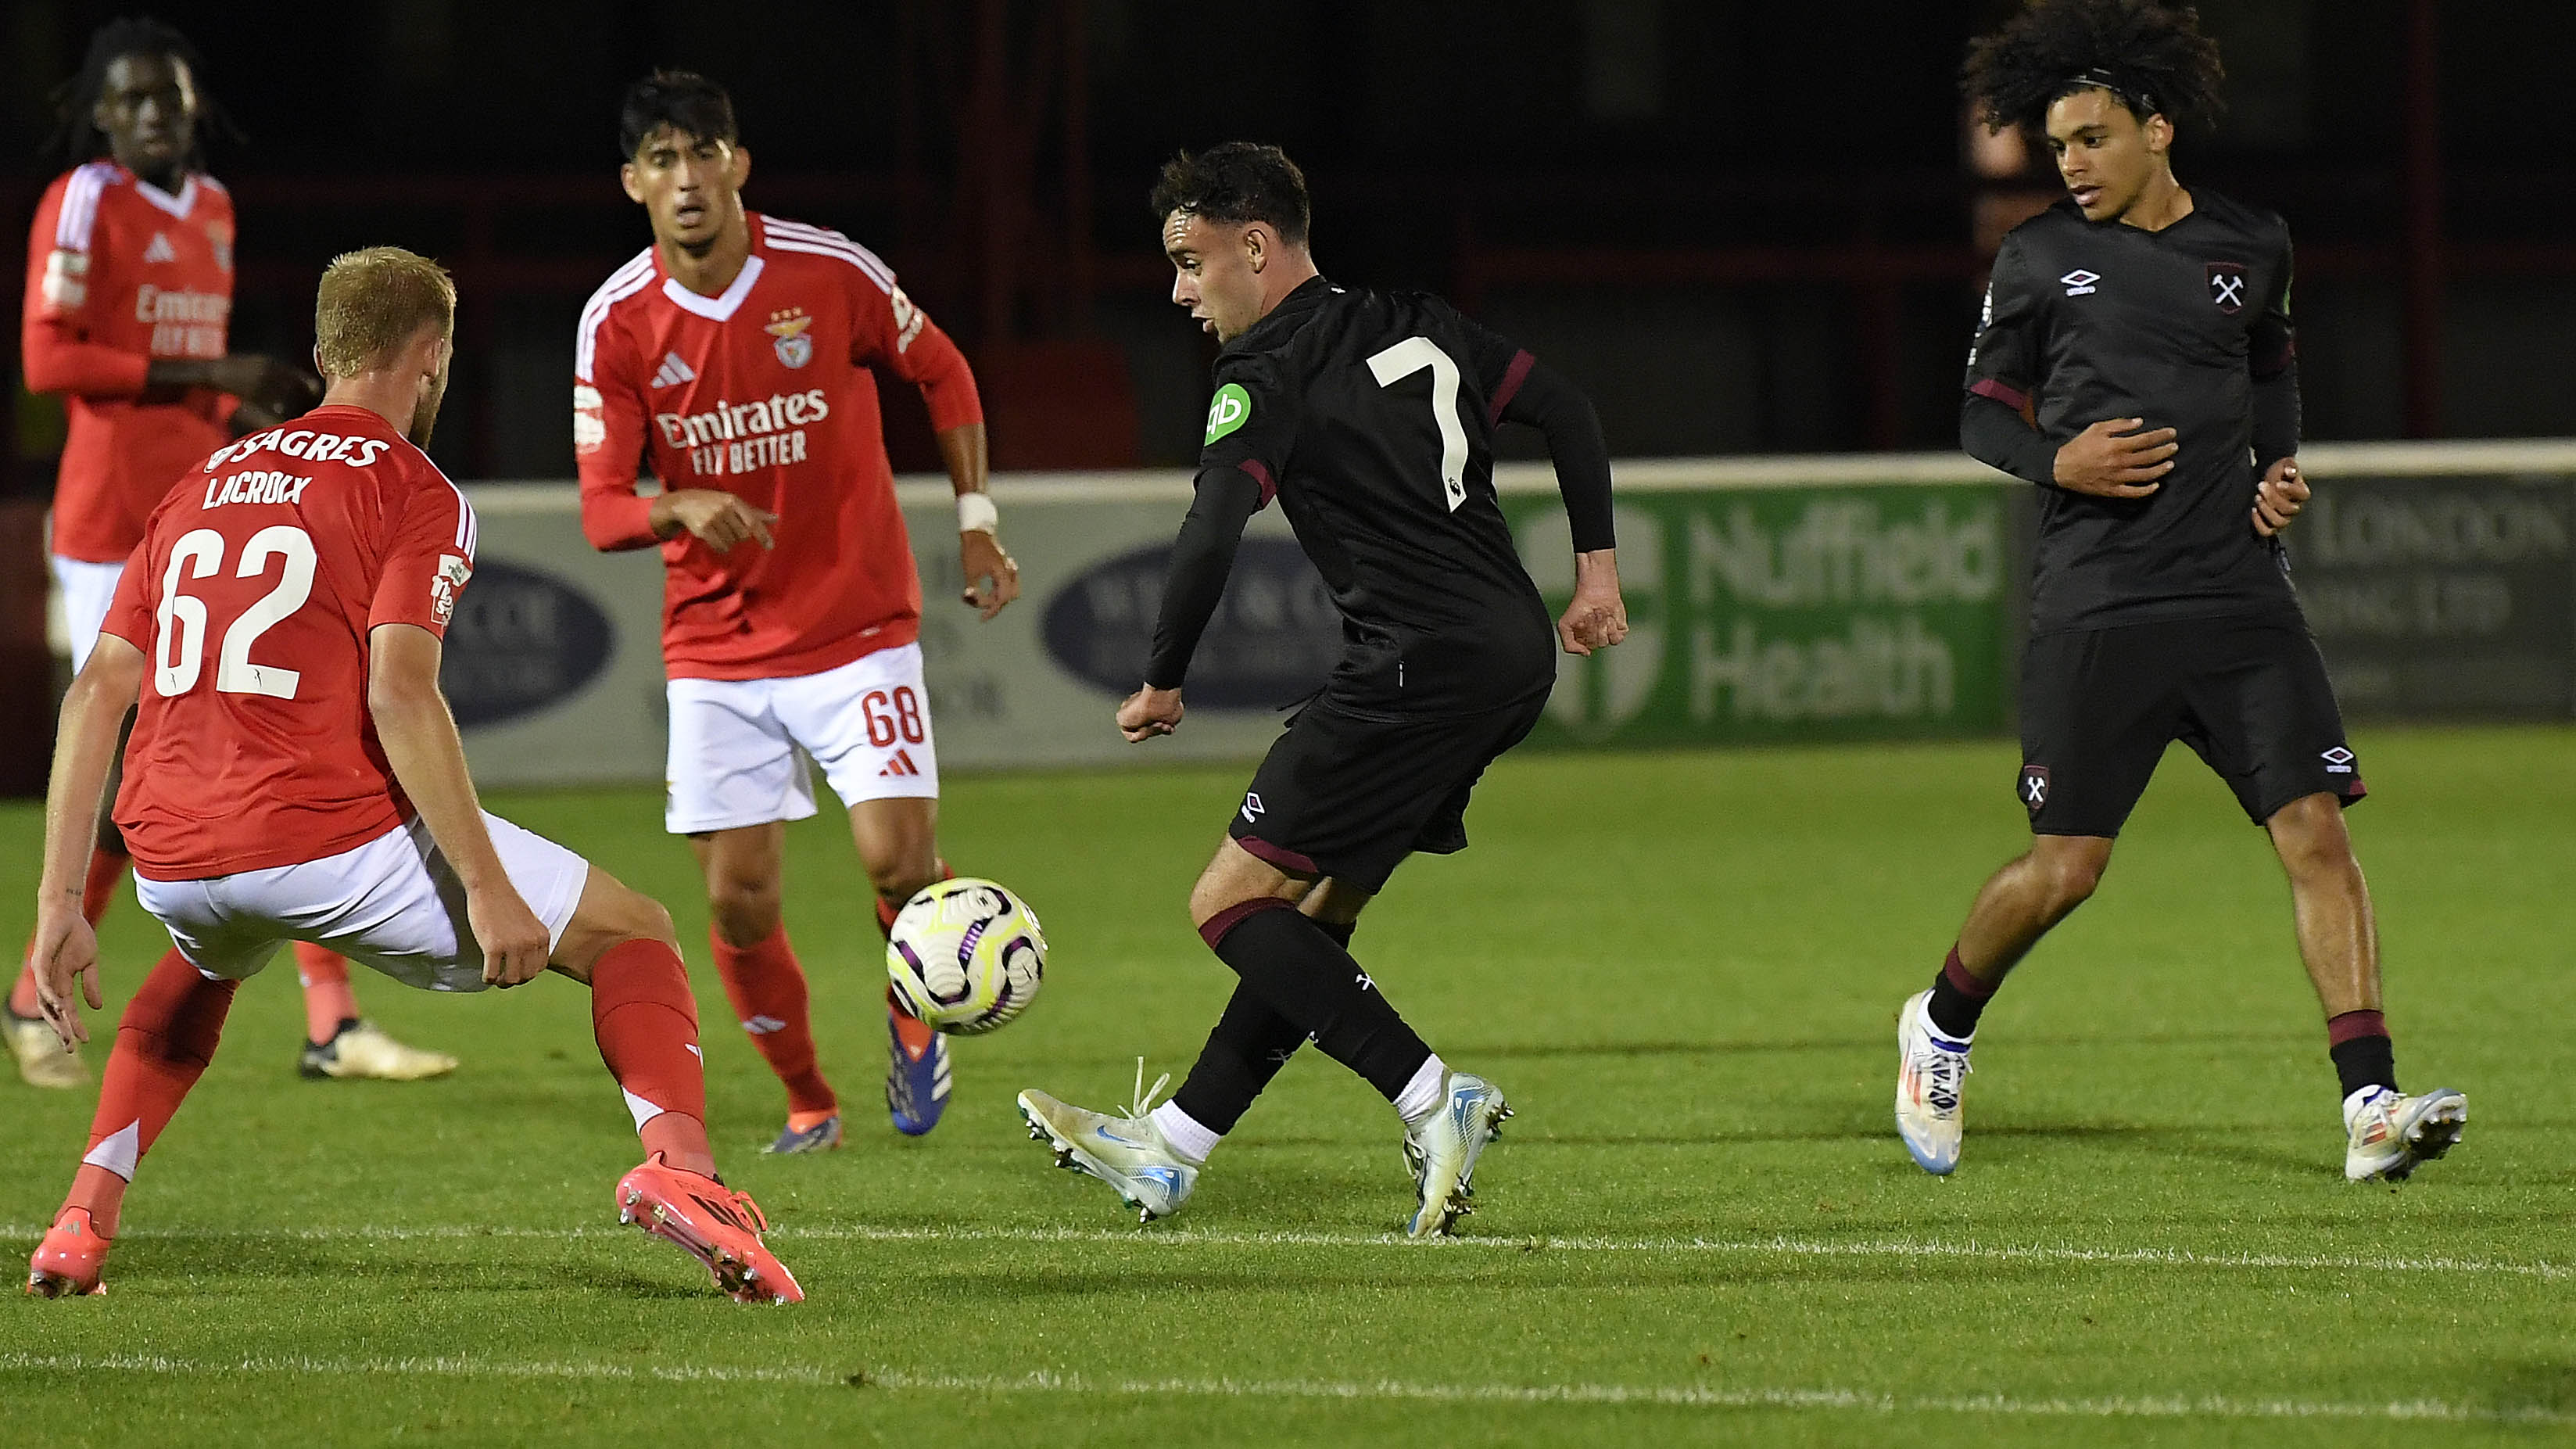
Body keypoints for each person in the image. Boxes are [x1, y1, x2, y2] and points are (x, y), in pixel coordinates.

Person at [22, 248, 799, 1304]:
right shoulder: (411, 486)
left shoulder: (196, 484)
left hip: (172, 853)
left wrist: (60, 904)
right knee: (634, 931)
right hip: (324, 843)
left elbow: (94, 695)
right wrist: (484, 883)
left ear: (320, 353)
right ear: (429, 358)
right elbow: (400, 691)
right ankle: (691, 1176)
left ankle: (79, 1222)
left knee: (199, 965)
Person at [1897, 0, 2464, 1183]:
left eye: (2091, 139)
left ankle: (2369, 1104)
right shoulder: (2041, 255)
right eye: (2057, 146)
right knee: (2067, 868)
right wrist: (2064, 460)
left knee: (2317, 834)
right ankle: (1941, 1024)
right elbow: (1981, 412)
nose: (2071, 164)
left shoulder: (2254, 244)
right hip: (2101, 602)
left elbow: (2272, 376)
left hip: (2240, 599)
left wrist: (2278, 471)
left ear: (2157, 131)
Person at [1016, 144, 1627, 1236]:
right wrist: (1595, 577)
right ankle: (1175, 1146)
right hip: (1507, 656)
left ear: (1254, 247)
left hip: (1414, 664)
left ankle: (1435, 1095)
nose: (1179, 291)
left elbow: (1210, 531)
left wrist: (1163, 676)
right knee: (1315, 912)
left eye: (1190, 262)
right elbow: (1570, 409)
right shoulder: (1417, 318)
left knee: (1228, 904)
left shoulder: (1265, 372)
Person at [577, 71, 1019, 1152]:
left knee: (899, 864)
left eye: (705, 154)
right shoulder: (619, 321)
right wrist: (672, 502)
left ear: (738, 164)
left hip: (856, 622)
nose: (688, 179)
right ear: (634, 181)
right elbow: (599, 510)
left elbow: (944, 369)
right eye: (664, 160)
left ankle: (919, 1014)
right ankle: (810, 1099)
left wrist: (975, 519)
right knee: (737, 899)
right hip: (718, 649)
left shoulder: (826, 269)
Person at [10, 17, 453, 1089]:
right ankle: (34, 989)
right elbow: (46, 355)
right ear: (101, 114)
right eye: (132, 99)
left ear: (196, 104)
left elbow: (185, 374)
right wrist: (211, 365)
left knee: (297, 732)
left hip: (210, 513)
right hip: (110, 522)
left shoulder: (211, 206)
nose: (155, 114)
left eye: (170, 95)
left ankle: (332, 1022)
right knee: (131, 757)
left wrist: (243, 407)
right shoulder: (83, 201)